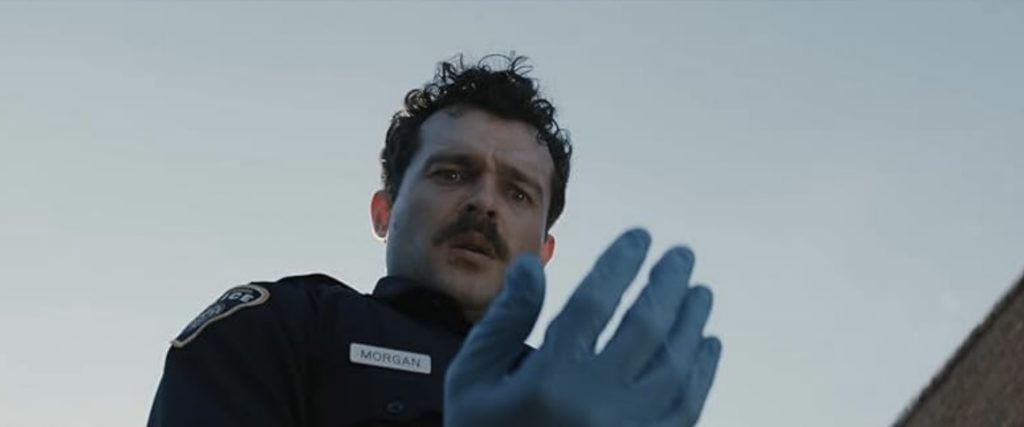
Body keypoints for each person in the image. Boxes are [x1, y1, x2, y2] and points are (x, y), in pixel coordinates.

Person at [148, 54, 721, 427]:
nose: (484, 202)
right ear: (384, 211)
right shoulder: (285, 325)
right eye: (451, 173)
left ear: (545, 252)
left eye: (518, 193)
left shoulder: (586, 400)